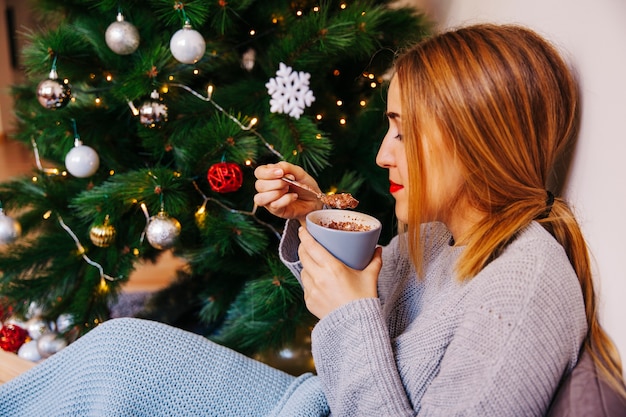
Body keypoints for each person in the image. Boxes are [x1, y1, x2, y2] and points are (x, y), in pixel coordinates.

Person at [0, 23, 624, 417]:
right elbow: (374, 305)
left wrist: (349, 315)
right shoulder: (445, 236)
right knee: (118, 351)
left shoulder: (519, 297)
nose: (382, 153)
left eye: (404, 134)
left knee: (110, 372)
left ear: (475, 141)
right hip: (309, 402)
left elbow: (360, 327)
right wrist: (315, 213)